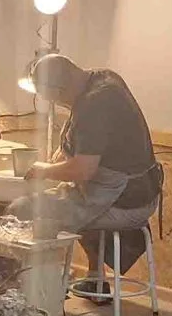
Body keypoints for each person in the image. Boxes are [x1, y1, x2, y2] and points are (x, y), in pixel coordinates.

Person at [20, 52, 162, 267]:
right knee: (64, 200)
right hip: (137, 190)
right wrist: (55, 164)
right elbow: (81, 144)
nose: (54, 103)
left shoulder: (95, 103)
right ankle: (95, 278)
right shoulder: (102, 78)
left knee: (24, 209)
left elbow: (83, 170)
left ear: (59, 90)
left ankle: (36, 291)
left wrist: (44, 171)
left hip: (127, 200)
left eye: (49, 97)